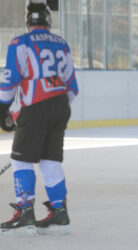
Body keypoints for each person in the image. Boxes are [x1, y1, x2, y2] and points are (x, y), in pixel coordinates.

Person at [0, 2, 79, 236]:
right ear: (48, 20)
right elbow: (72, 87)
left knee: (21, 160)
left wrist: (4, 111)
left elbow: (9, 82)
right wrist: (55, 107)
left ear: (28, 21)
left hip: (36, 107)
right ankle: (59, 210)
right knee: (49, 160)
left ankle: (25, 211)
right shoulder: (61, 44)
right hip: (61, 105)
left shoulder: (20, 43)